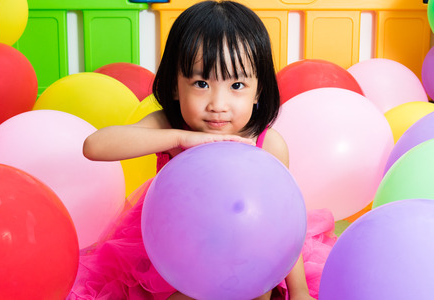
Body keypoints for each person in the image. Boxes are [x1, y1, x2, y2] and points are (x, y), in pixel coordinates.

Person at [69, 1, 336, 299]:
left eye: (236, 85)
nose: (217, 105)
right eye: (200, 83)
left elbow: (285, 223)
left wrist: (298, 290)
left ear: (258, 90)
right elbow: (95, 146)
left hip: (248, 251)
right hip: (179, 253)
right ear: (174, 86)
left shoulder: (268, 144)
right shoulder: (169, 126)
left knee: (259, 290)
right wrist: (179, 139)